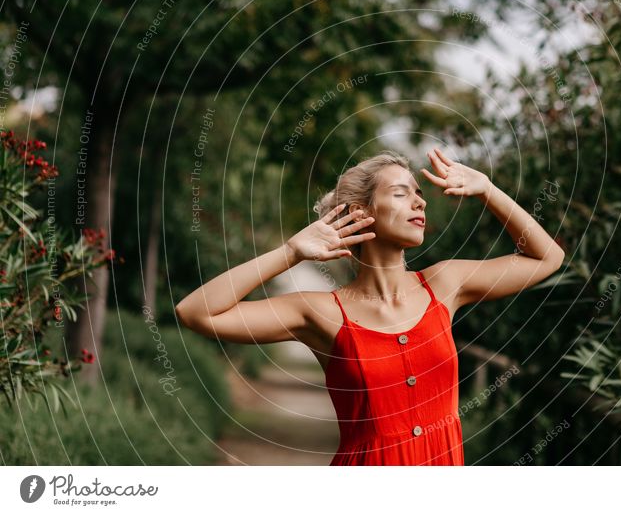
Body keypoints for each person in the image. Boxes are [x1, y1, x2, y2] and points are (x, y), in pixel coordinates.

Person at [175, 147, 565, 465]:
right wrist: (291, 252)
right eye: (401, 193)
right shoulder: (321, 312)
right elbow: (196, 312)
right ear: (361, 212)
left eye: (419, 193)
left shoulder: (444, 283)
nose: (419, 202)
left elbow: (545, 258)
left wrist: (487, 190)